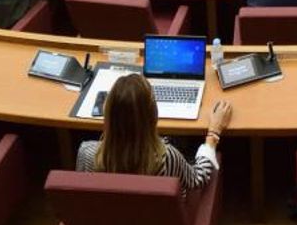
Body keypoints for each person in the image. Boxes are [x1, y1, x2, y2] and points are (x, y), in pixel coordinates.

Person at [76, 73, 231, 194]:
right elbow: (198, 179)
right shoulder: (167, 158)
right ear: (153, 115)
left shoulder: (87, 153)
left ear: (108, 115)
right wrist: (213, 133)